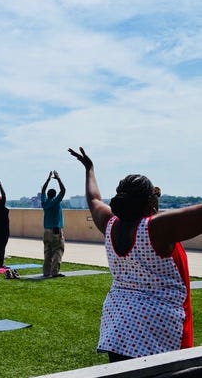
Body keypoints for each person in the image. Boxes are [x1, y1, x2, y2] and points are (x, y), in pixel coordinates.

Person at [69, 146, 195, 362]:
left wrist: (89, 169)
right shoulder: (157, 228)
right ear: (149, 202)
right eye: (156, 194)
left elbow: (94, 199)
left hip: (118, 327)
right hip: (159, 330)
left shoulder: (110, 224)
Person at [40, 170, 66, 277]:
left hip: (46, 231)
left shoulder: (45, 202)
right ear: (55, 195)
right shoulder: (55, 201)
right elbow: (63, 190)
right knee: (58, 251)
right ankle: (54, 272)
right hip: (55, 230)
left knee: (47, 252)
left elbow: (42, 191)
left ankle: (46, 272)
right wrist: (58, 178)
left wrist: (48, 179)